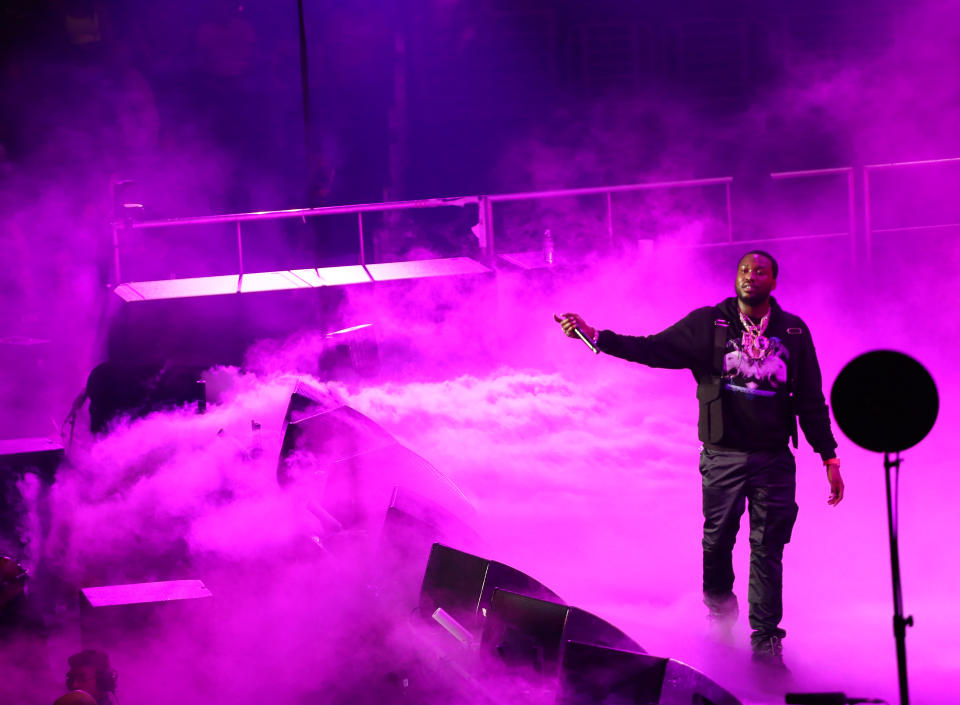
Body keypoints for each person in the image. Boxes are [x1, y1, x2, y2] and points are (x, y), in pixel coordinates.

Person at [555, 250, 844, 667]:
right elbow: (652, 348)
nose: (750, 276)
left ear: (773, 282)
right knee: (718, 543)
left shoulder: (794, 332)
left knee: (768, 548)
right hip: (723, 456)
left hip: (774, 459)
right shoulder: (710, 322)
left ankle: (765, 641)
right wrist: (596, 336)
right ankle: (720, 618)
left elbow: (811, 399)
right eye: (744, 270)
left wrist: (829, 457)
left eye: (760, 271)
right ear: (736, 278)